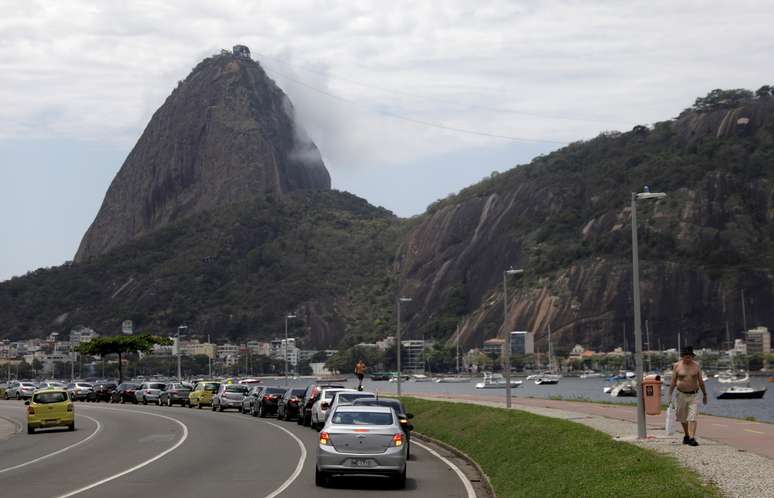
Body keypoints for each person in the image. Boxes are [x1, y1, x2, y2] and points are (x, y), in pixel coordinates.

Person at [668, 346, 707, 446]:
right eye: (685, 357)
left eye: (689, 357)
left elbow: (701, 381)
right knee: (682, 417)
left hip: (694, 394)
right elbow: (673, 381)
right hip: (681, 394)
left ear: (692, 357)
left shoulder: (696, 366)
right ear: (682, 357)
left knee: (692, 417)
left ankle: (692, 438)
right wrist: (669, 395)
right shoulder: (677, 366)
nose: (687, 359)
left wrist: (705, 394)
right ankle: (686, 435)